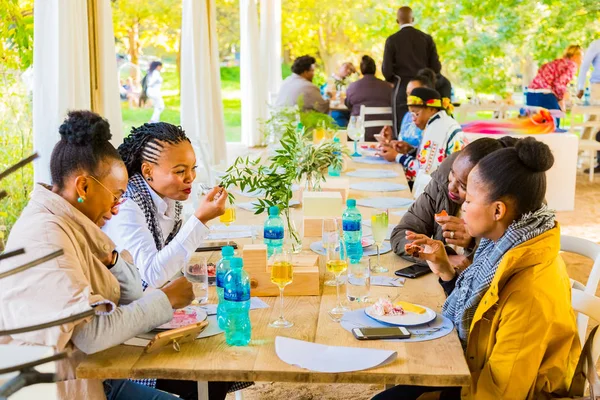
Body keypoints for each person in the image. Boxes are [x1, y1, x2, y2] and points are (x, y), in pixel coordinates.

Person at [0, 111, 197, 400]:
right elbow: (91, 335)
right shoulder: (46, 236)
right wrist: (166, 300)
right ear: (84, 186)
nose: (118, 207)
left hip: (89, 374)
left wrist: (113, 261)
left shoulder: (76, 223)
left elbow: (131, 295)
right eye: (116, 195)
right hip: (47, 389)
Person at [374, 138, 580, 400]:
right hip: (472, 365)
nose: (463, 209)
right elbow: (480, 312)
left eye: (468, 201)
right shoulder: (501, 247)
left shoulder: (530, 291)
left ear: (497, 210)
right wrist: (447, 271)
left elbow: (501, 392)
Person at [103, 122, 227, 289]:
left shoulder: (169, 199)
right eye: (180, 171)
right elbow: (152, 276)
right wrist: (200, 219)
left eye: (193, 168)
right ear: (148, 171)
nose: (190, 177)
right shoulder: (127, 205)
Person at [390, 137, 518, 270]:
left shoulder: (505, 215)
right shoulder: (442, 183)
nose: (451, 187)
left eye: (463, 186)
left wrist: (472, 243)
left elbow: (492, 272)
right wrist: (442, 257)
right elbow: (402, 234)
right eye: (452, 173)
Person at [383, 87, 464, 196]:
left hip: (443, 193)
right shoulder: (441, 122)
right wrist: (410, 149)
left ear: (432, 109)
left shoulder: (437, 128)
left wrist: (397, 156)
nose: (413, 119)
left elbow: (425, 173)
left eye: (416, 113)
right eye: (411, 114)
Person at [382, 6, 441, 135]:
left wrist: (395, 80)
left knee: (401, 129)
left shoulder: (392, 40)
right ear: (413, 19)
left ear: (397, 21)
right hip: (425, 89)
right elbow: (436, 68)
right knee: (428, 127)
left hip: (402, 89)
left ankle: (399, 151)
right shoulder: (427, 39)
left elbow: (386, 71)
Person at [377, 69, 436, 164]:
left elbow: (425, 161)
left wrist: (399, 154)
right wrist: (391, 142)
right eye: (408, 94)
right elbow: (405, 147)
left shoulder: (433, 123)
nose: (410, 98)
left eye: (414, 93)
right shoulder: (408, 116)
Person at [526, 45, 583, 128]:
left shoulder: (556, 62)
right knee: (553, 128)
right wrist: (561, 100)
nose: (582, 60)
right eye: (581, 57)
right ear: (575, 56)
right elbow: (559, 84)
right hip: (545, 96)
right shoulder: (572, 65)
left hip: (531, 94)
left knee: (535, 128)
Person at [344, 55, 392, 141]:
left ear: (362, 70)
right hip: (386, 133)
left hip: (359, 134)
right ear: (374, 69)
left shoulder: (353, 87)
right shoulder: (388, 87)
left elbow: (348, 104)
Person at [576, 38, 600, 173]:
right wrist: (580, 87)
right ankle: (576, 156)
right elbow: (585, 65)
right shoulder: (597, 44)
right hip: (598, 88)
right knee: (592, 122)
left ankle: (599, 162)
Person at [323, 62, 357, 127]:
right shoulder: (330, 80)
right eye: (346, 68)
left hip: (347, 111)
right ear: (340, 68)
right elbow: (326, 96)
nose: (348, 71)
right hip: (335, 111)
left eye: (351, 70)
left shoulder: (349, 83)